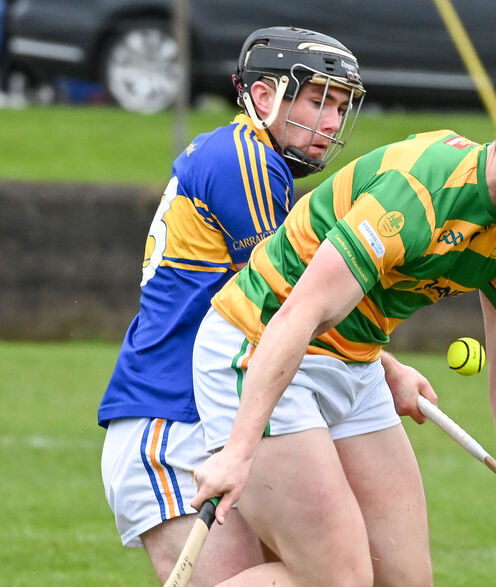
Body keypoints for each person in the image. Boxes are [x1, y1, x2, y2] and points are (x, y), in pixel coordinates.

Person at [191, 65, 496, 587]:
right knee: (339, 579)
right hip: (261, 344)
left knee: (405, 580)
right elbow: (301, 313)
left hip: (354, 362)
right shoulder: (417, 192)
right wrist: (239, 449)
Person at [97, 26, 371, 585]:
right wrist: (379, 367)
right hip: (169, 425)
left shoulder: (243, 157)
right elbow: (288, 306)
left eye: (340, 107)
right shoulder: (244, 160)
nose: (331, 122)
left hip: (203, 420)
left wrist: (381, 366)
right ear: (264, 97)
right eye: (318, 100)